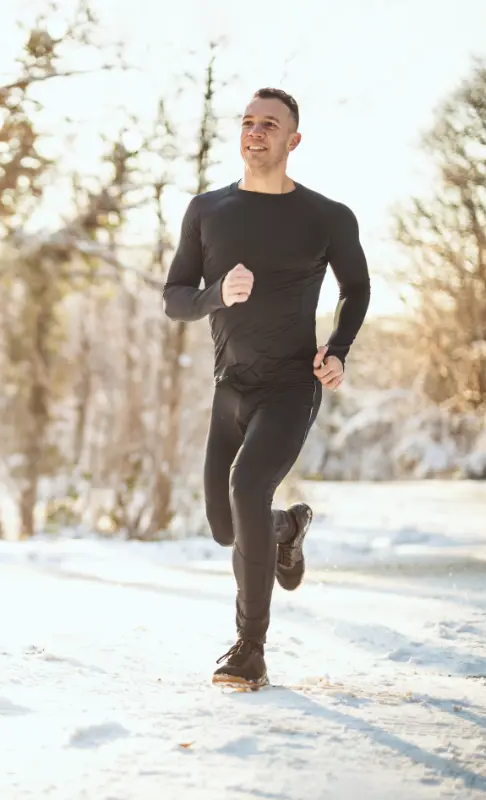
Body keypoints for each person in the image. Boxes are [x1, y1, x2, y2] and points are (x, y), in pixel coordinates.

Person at [162, 87, 371, 689]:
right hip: (230, 388)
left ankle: (248, 649)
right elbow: (175, 298)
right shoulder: (207, 210)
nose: (256, 132)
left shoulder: (326, 216)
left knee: (246, 485)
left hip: (289, 386)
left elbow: (356, 290)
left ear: (292, 139)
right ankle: (284, 529)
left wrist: (337, 350)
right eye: (249, 122)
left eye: (270, 124)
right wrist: (214, 295)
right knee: (228, 525)